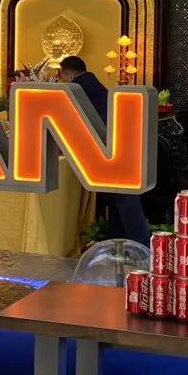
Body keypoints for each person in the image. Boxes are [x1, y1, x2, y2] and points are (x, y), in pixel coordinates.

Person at [56, 55, 151, 245]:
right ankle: (122, 242)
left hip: (113, 145)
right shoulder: (92, 83)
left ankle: (141, 244)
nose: (61, 82)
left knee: (124, 199)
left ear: (69, 75)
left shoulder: (78, 86)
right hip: (123, 141)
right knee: (117, 198)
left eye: (62, 77)